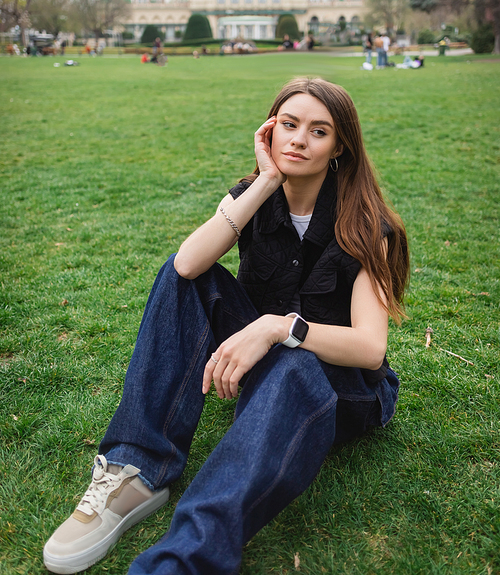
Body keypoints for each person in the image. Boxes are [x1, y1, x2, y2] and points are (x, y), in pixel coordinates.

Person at [43, 78, 409, 575]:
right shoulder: (252, 195)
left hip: (340, 388)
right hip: (266, 361)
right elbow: (188, 266)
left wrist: (280, 327)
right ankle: (137, 469)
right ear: (269, 131)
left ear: (340, 145)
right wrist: (265, 182)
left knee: (294, 366)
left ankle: (187, 557)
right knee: (185, 275)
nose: (299, 140)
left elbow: (369, 348)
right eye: (289, 125)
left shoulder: (368, 225)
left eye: (318, 131)